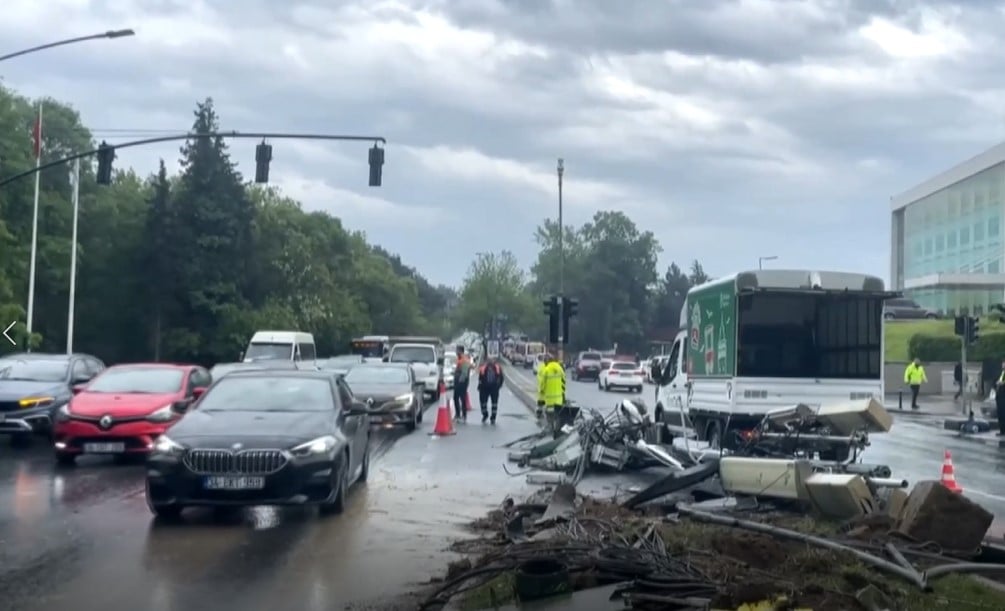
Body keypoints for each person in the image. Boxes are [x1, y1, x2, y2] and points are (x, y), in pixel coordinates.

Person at [536, 353, 566, 433]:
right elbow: (564, 380)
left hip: (549, 399)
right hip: (558, 398)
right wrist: (563, 392)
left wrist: (541, 391)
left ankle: (550, 427)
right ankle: (557, 428)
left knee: (549, 413)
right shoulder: (559, 368)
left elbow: (542, 383)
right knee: (557, 413)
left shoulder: (546, 370)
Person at [477, 356, 504, 424]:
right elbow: (480, 378)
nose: (490, 361)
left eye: (492, 359)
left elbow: (501, 377)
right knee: (483, 403)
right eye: (489, 359)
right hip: (484, 388)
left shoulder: (498, 367)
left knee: (494, 404)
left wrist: (499, 386)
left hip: (494, 388)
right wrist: (480, 386)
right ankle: (485, 414)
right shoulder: (483, 367)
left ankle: (493, 418)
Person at [452, 345, 472, 421]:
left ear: (460, 351)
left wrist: (459, 383)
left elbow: (464, 373)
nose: (456, 352)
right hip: (458, 382)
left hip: (462, 383)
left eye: (457, 350)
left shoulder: (464, 359)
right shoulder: (460, 359)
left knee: (462, 398)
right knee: (456, 398)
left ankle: (463, 415)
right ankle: (458, 414)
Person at [996, 361, 1005, 436]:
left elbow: (1002, 382)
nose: (1002, 364)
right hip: (999, 396)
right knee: (1000, 414)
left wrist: (1001, 383)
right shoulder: (1002, 373)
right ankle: (1002, 430)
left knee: (1003, 414)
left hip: (1003, 396)